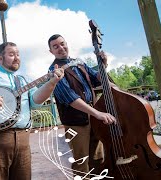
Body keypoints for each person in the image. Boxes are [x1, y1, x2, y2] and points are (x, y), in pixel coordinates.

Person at [0, 41, 64, 180]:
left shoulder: (23, 80)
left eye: (18, 54)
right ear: (0, 58)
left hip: (23, 142)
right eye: (11, 54)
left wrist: (51, 83)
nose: (17, 57)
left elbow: (36, 101)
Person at [47, 34, 116, 177]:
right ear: (51, 51)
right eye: (56, 46)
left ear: (67, 43)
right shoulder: (53, 71)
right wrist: (97, 113)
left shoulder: (79, 62)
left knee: (98, 158)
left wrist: (103, 65)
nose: (61, 48)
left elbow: (97, 78)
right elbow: (71, 98)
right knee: (81, 163)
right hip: (76, 123)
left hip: (94, 118)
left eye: (62, 43)